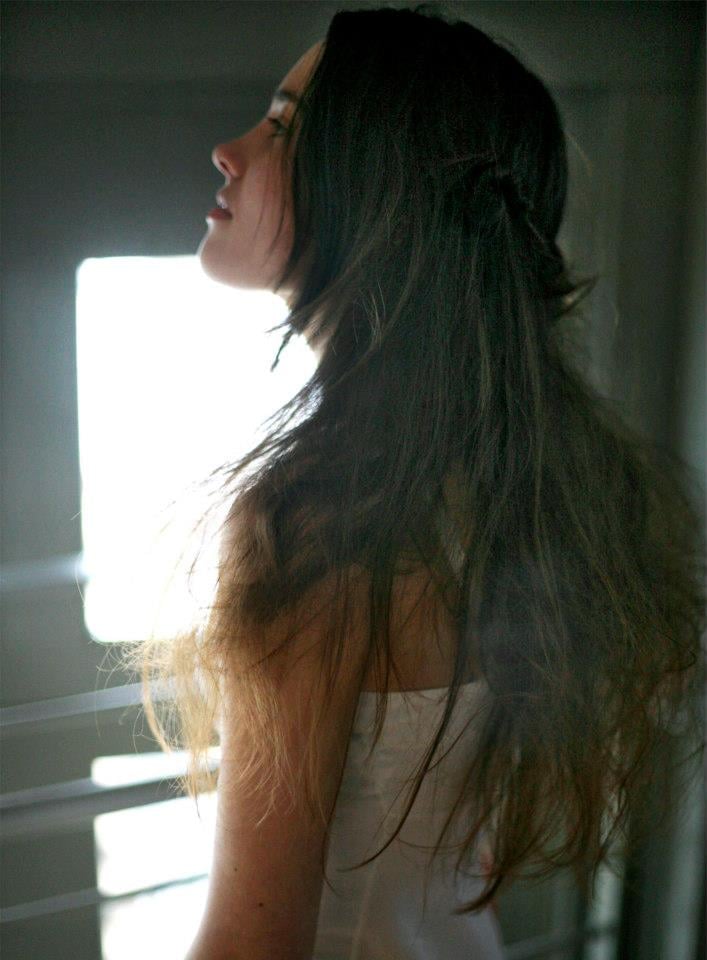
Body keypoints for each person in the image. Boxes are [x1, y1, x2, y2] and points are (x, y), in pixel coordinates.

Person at [120, 5, 705, 959]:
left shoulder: (314, 520)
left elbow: (252, 943)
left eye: (283, 128)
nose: (229, 151)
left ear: (375, 185)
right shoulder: (508, 486)